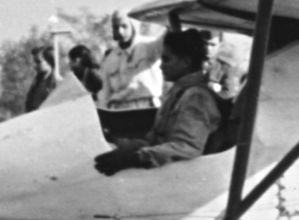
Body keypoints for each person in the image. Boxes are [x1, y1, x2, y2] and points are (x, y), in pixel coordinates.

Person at [95, 29, 222, 173]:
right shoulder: (177, 92)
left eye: (167, 59)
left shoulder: (196, 97)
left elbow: (187, 147)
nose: (161, 66)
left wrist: (137, 158)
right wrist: (115, 141)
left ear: (186, 62)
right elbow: (153, 141)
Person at [97, 10, 165, 139]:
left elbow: (168, 36)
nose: (120, 31)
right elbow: (105, 92)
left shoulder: (149, 46)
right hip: (119, 113)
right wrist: (103, 118)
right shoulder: (110, 57)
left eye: (124, 26)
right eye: (116, 27)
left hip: (146, 109)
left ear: (133, 25)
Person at [24, 45, 59, 113]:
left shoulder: (56, 82)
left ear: (49, 61)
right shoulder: (36, 80)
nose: (34, 65)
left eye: (38, 61)